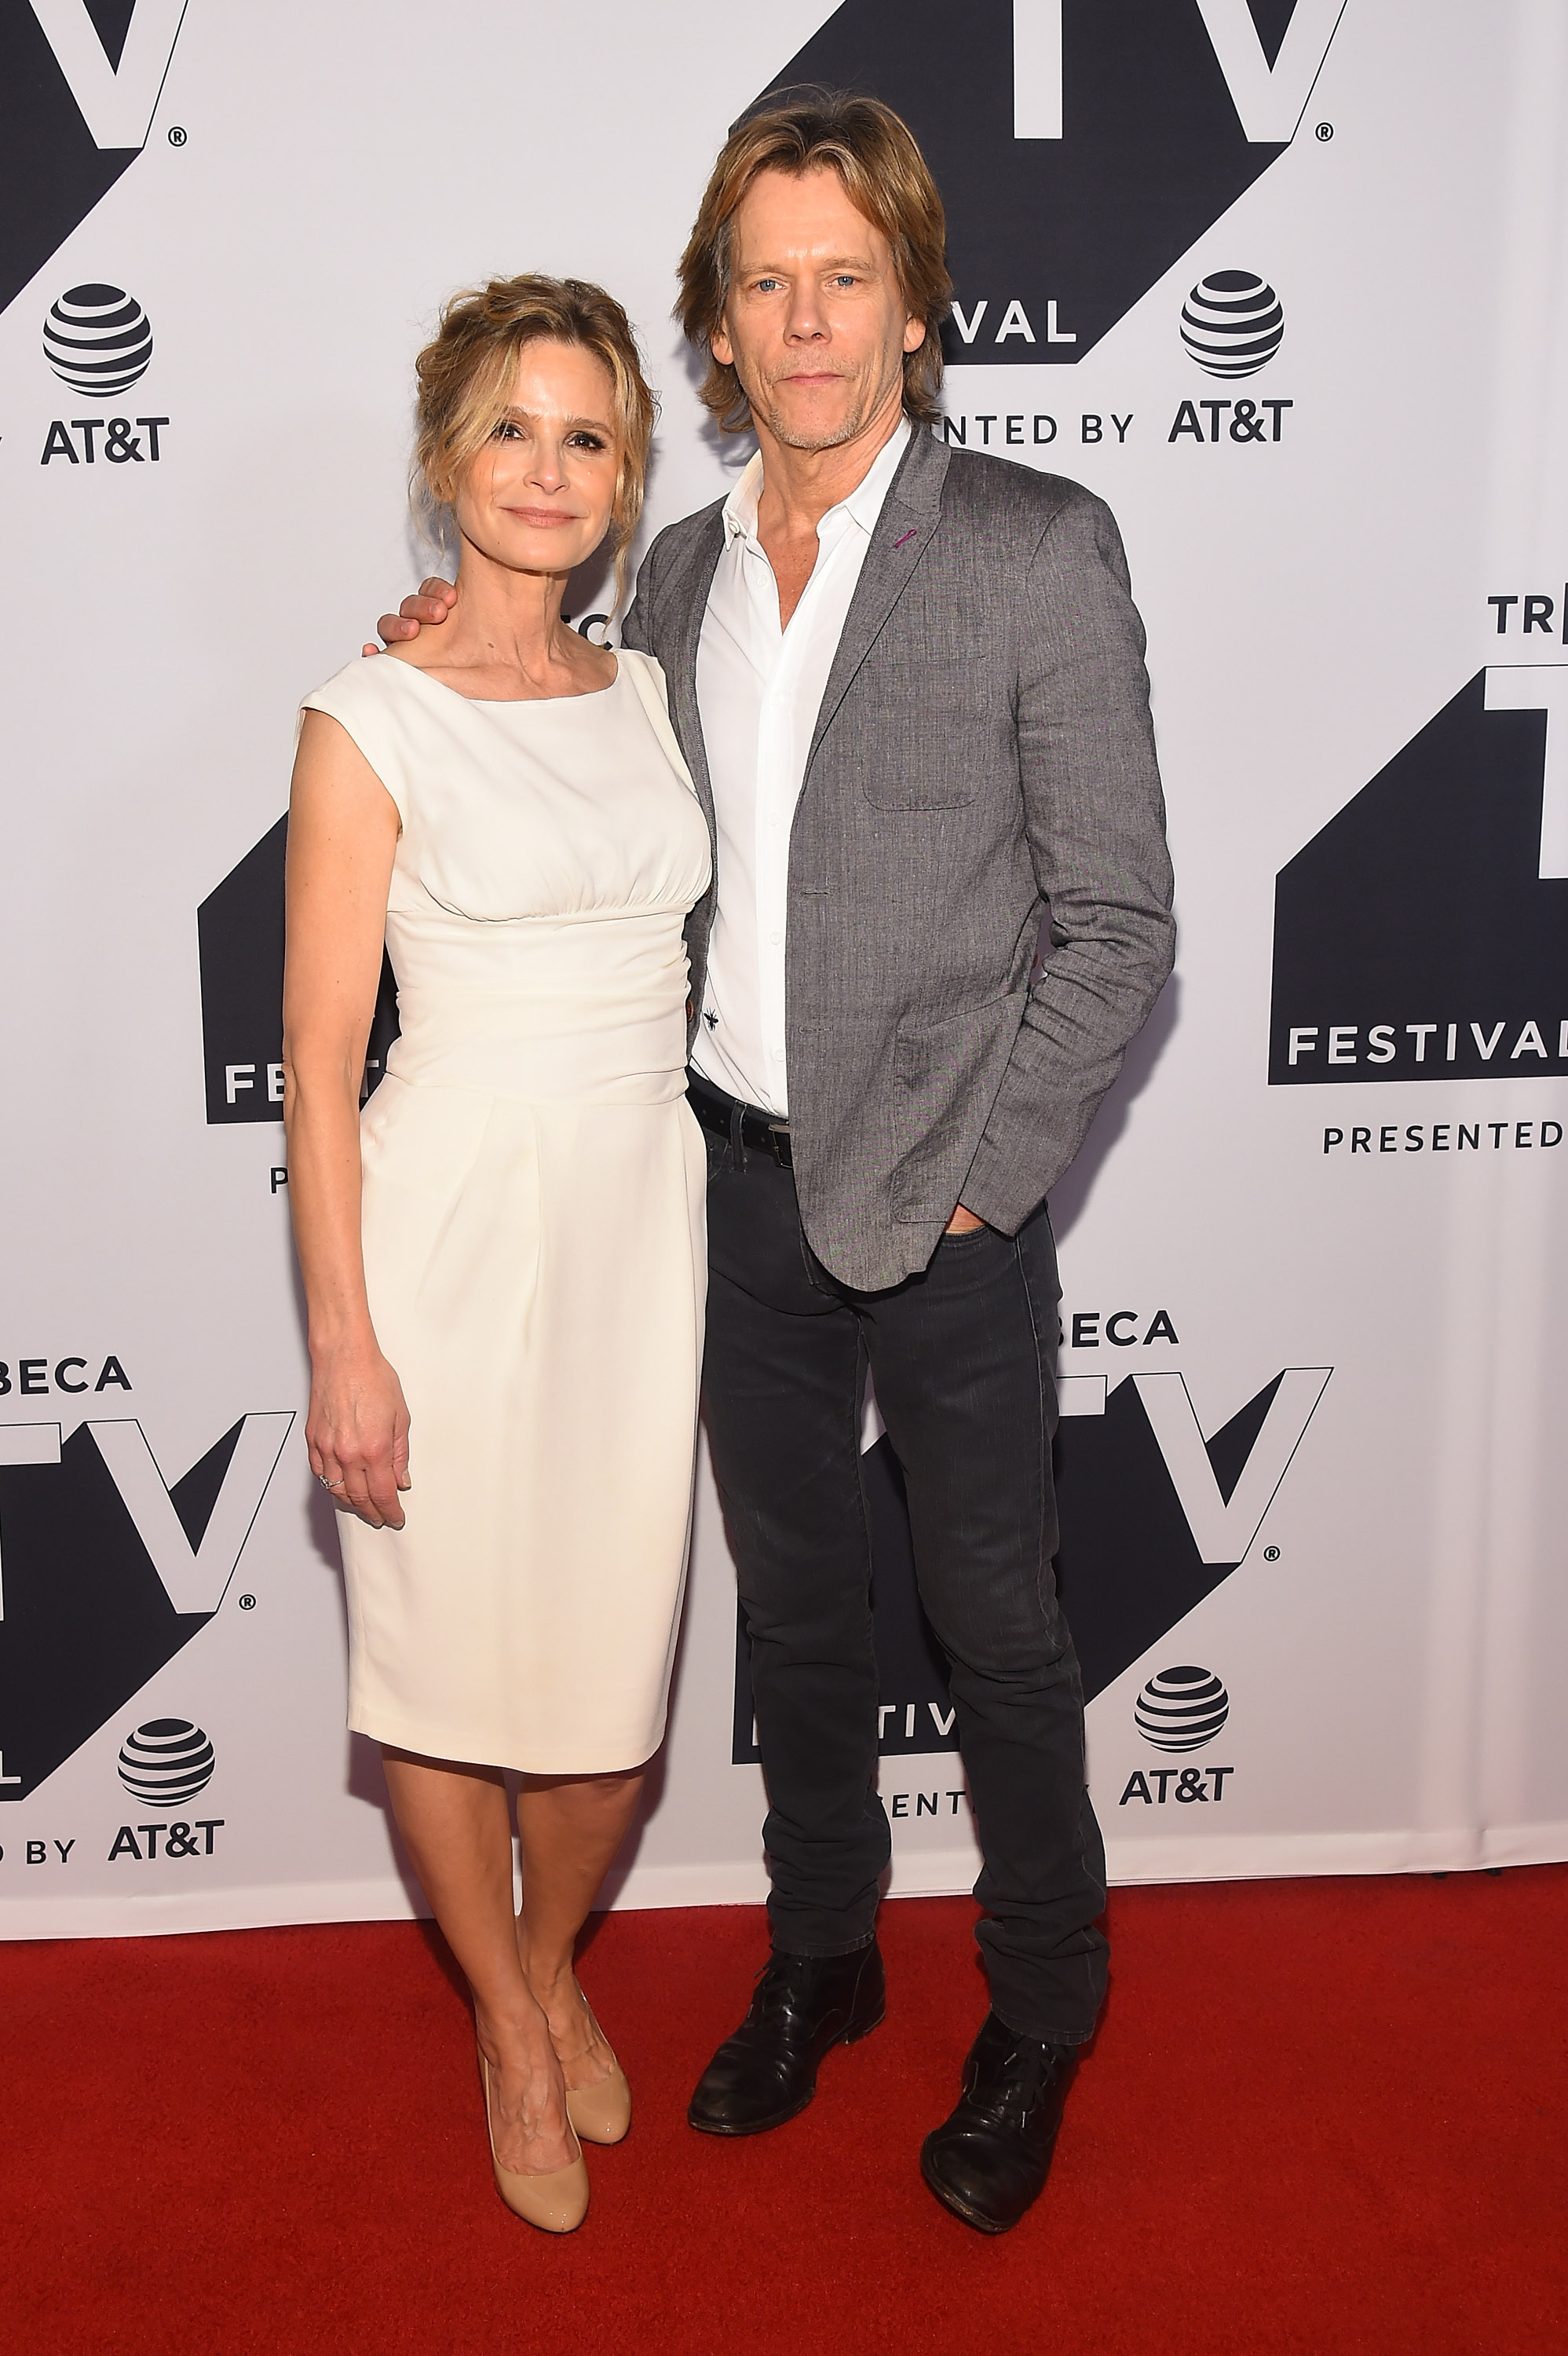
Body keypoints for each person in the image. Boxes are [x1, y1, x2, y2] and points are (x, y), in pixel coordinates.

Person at [379, 91, 1175, 2234]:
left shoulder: (1030, 544)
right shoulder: (662, 569)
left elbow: (1116, 926)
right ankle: (820, 1958)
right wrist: (430, 653)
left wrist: (985, 1180)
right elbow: (546, 755)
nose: (805, 321)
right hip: (715, 1192)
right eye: (764, 282)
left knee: (995, 1625)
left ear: (914, 308)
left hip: (942, 1214)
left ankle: (1038, 2011)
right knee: (798, 1622)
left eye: (845, 277)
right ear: (713, 333)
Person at [284, 276, 711, 2233]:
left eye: (589, 434)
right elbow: (313, 1065)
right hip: (447, 1219)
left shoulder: (653, 683)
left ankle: (536, 1976)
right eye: (513, 430)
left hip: (639, 1222)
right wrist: (344, 1345)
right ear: (448, 457)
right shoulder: (368, 715)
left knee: (610, 1695)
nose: (548, 471)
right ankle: (517, 2033)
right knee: (448, 1672)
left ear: (628, 472)